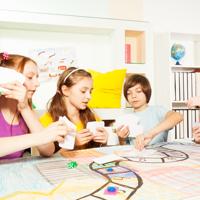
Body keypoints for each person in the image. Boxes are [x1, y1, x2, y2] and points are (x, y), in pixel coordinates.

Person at [0, 52, 58, 159]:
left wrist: (25, 108)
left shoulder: (26, 110)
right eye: (30, 77)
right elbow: (42, 138)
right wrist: (38, 137)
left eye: (37, 77)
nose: (37, 83)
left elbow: (48, 150)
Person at [40, 67, 108, 150]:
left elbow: (97, 151)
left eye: (90, 92)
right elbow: (46, 157)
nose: (89, 96)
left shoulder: (93, 117)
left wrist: (104, 142)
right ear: (65, 90)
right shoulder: (47, 121)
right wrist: (73, 143)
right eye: (83, 91)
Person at [116, 74, 183, 150]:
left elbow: (178, 116)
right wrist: (121, 139)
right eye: (129, 93)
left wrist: (151, 134)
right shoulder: (126, 116)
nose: (133, 96)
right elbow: (125, 147)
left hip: (159, 156)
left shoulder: (157, 110)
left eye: (138, 91)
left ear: (146, 92)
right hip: (136, 157)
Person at [0, 121, 68, 158]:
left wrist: (25, 108)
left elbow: (47, 151)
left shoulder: (24, 110)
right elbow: (42, 138)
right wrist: (40, 137)